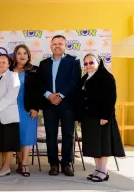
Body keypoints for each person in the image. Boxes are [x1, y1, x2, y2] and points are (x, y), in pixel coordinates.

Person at [37, 35, 82, 176]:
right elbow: (40, 83)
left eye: (60, 44)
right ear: (50, 46)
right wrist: (49, 95)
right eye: (54, 44)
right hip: (49, 105)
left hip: (67, 104)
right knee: (51, 135)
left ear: (65, 46)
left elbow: (74, 80)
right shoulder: (43, 64)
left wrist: (60, 96)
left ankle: (67, 164)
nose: (57, 46)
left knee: (68, 135)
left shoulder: (73, 61)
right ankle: (54, 164)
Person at [78, 54, 125, 182]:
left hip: (102, 117)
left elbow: (111, 98)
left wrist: (105, 116)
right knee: (95, 145)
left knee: (103, 145)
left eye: (91, 62)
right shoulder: (84, 78)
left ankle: (103, 170)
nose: (88, 65)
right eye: (86, 63)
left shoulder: (106, 77)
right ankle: (98, 169)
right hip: (89, 117)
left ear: (98, 62)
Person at [11, 44, 42, 177]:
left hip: (28, 108)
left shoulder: (34, 70)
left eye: (24, 53)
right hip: (11, 107)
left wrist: (36, 108)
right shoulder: (9, 70)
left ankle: (25, 163)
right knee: (15, 135)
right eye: (19, 53)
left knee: (26, 135)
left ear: (28, 55)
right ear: (15, 56)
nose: (22, 56)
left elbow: (38, 91)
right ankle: (19, 162)